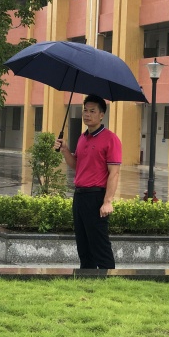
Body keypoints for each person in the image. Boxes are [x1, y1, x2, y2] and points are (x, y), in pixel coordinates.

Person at [54, 94, 121, 269]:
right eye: (85, 110)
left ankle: (109, 279)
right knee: (83, 245)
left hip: (96, 197)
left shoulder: (111, 139)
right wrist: (65, 150)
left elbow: (114, 173)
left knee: (99, 244)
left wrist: (107, 201)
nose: (87, 114)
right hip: (79, 196)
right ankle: (86, 277)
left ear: (101, 115)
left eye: (92, 111)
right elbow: (77, 165)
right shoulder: (82, 138)